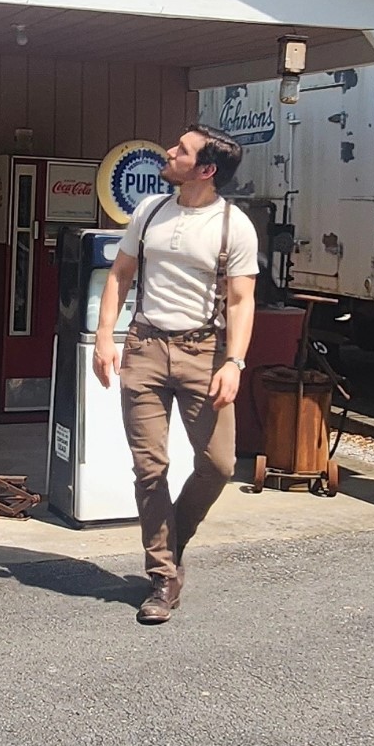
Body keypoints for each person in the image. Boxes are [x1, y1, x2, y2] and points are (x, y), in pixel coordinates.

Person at [92, 126, 259, 624]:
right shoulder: (149, 211)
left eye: (181, 151)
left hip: (203, 353)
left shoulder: (234, 226)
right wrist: (106, 336)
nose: (169, 152)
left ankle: (171, 538)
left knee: (220, 464)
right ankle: (163, 577)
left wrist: (235, 361)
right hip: (144, 346)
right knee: (151, 468)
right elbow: (121, 274)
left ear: (205, 170)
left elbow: (242, 299)